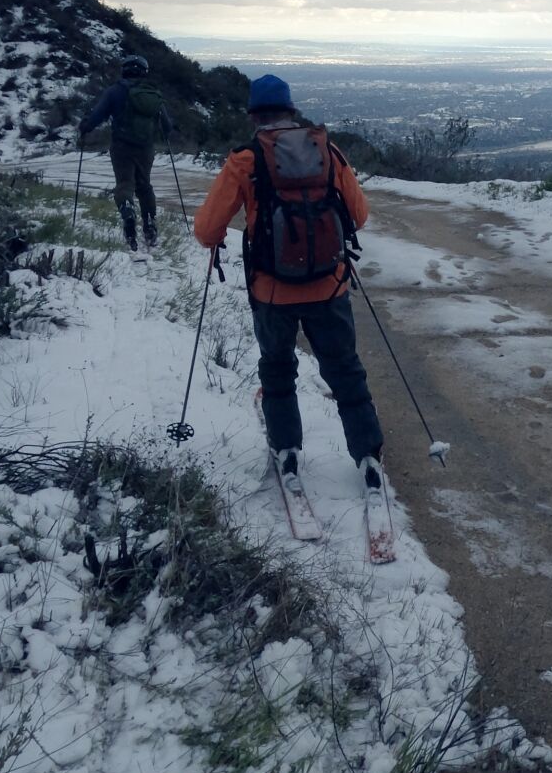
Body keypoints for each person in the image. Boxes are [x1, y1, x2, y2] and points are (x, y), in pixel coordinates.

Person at [191, 74, 386, 493]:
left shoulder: (245, 160)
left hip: (271, 291)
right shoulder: (326, 151)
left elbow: (208, 229)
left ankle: (288, 451)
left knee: (278, 370)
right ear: (292, 111)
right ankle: (368, 455)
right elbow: (360, 214)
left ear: (253, 116)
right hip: (329, 286)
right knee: (345, 370)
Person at [78, 54, 172, 252]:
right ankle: (150, 224)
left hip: (121, 146)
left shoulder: (115, 91)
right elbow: (167, 125)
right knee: (144, 185)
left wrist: (85, 127)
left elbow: (98, 115)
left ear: (125, 70)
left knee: (125, 183)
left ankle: (128, 213)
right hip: (146, 148)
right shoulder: (152, 93)